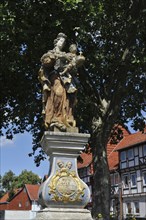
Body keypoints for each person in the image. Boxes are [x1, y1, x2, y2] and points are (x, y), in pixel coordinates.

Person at [38, 33, 85, 132]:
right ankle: (56, 118)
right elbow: (45, 61)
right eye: (61, 41)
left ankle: (66, 118)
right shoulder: (51, 53)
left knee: (69, 98)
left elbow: (74, 66)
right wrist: (59, 58)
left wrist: (74, 63)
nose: (62, 44)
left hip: (66, 79)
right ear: (56, 42)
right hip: (54, 77)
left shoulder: (66, 55)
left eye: (63, 42)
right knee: (58, 94)